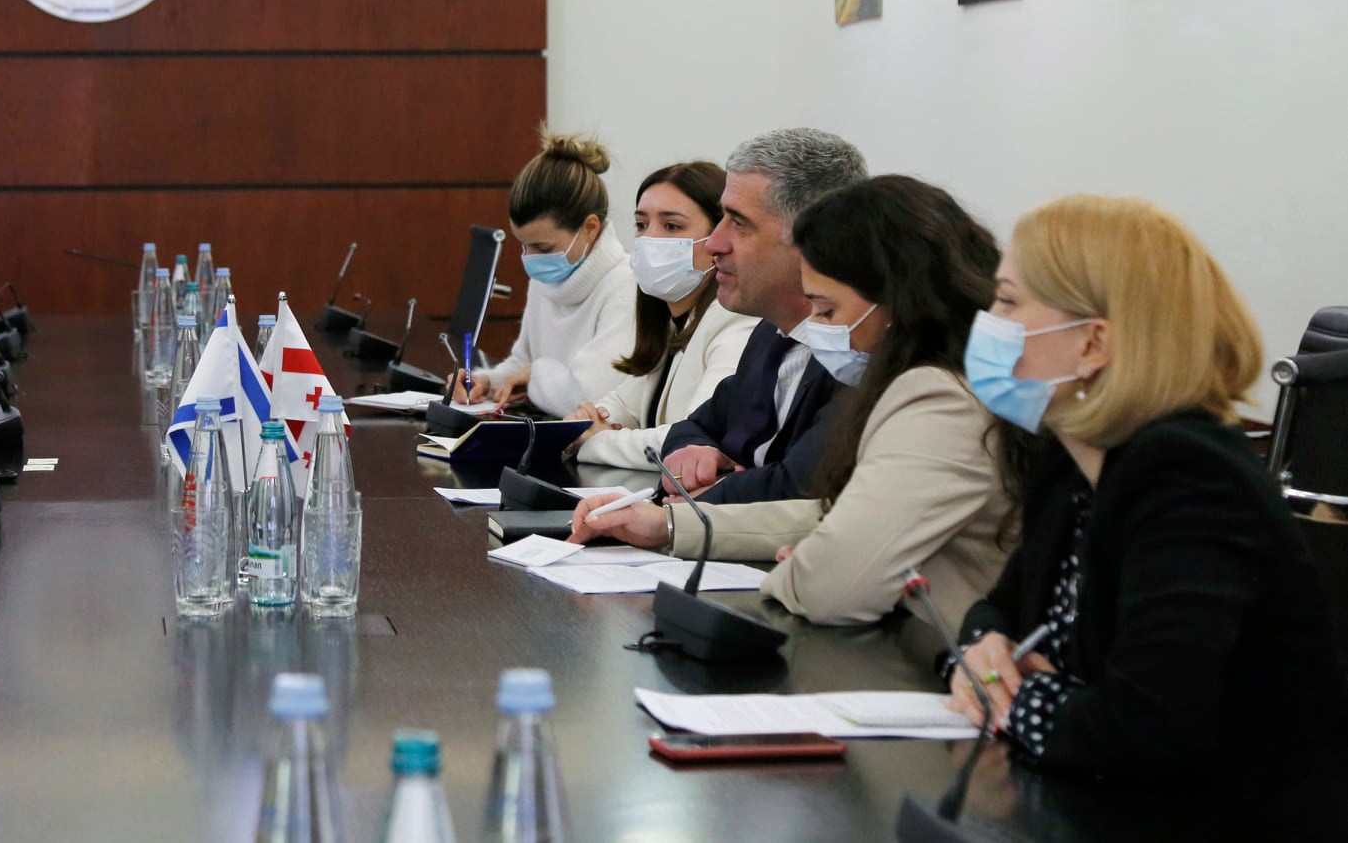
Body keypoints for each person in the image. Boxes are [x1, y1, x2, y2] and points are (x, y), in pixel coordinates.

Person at [944, 195, 1348, 782]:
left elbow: (1148, 727)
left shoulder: (1191, 481)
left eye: (1007, 301)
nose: (988, 321)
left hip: (1232, 812)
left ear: (1093, 345)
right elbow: (1000, 608)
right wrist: (984, 649)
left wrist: (1011, 701)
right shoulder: (1076, 458)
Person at [571, 176, 1013, 626]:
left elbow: (830, 584)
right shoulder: (914, 379)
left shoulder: (939, 398)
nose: (815, 330)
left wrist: (795, 572)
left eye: (827, 311)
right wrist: (666, 526)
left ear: (897, 302)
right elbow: (828, 515)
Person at [650, 127, 867, 504]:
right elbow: (696, 424)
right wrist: (693, 451)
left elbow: (804, 486)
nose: (714, 243)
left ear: (814, 237)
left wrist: (711, 500)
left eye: (739, 223)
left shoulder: (858, 349)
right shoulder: (770, 333)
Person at [566, 161, 757, 470]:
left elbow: (695, 440)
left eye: (671, 226)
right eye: (641, 225)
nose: (649, 239)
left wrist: (597, 441)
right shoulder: (671, 319)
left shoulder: (735, 321)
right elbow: (621, 405)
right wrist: (585, 422)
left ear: (718, 239)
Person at [461, 130, 635, 415]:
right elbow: (523, 363)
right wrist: (485, 381)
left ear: (590, 228)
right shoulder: (546, 279)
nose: (531, 259)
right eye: (524, 246)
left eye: (542, 247)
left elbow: (585, 400)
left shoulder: (626, 287)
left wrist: (533, 373)